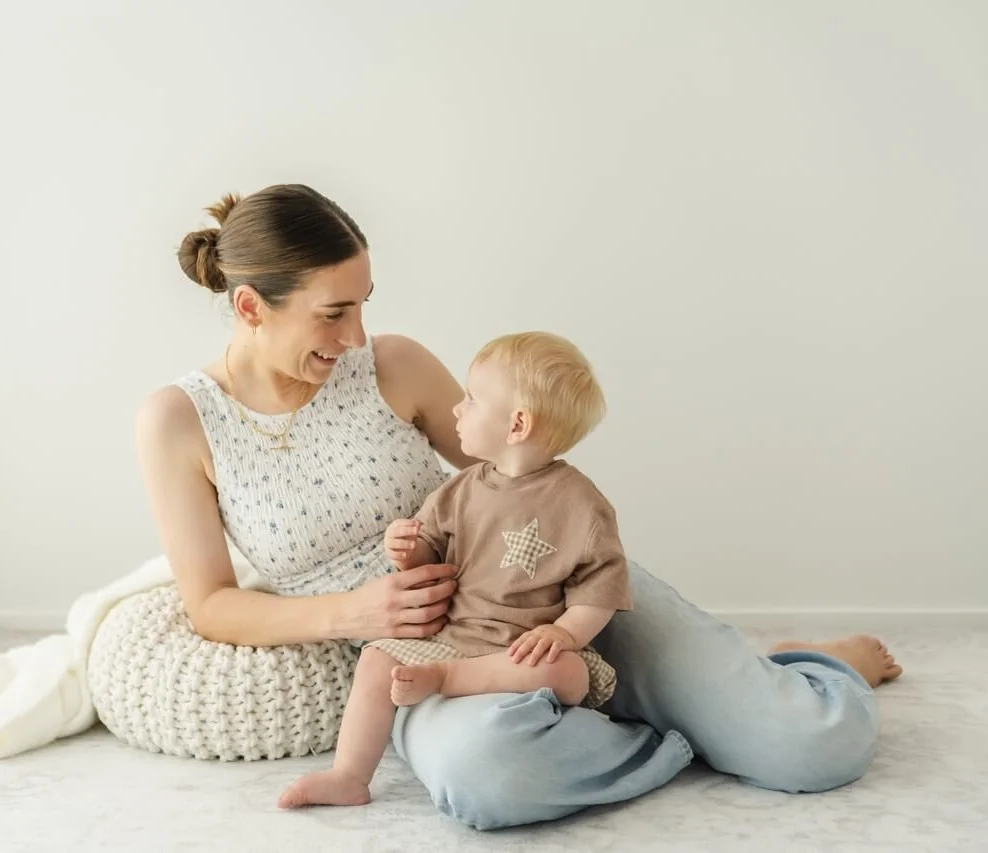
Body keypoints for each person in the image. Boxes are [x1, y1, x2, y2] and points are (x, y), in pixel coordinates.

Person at [135, 184, 903, 830]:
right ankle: (699, 715)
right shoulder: (180, 422)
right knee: (489, 779)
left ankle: (785, 679)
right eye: (333, 313)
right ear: (249, 308)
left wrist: (568, 604)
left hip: (557, 591)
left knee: (810, 747)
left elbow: (516, 460)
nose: (357, 334)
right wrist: (356, 612)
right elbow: (212, 604)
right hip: (436, 661)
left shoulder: (391, 365)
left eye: (364, 305)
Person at [278, 330, 633, 809]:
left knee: (568, 672)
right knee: (375, 660)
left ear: (517, 424)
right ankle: (349, 775)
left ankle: (446, 681)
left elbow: (600, 589)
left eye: (471, 399)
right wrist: (406, 550)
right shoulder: (462, 488)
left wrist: (566, 634)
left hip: (520, 649)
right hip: (452, 635)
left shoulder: (581, 506)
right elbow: (429, 555)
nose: (457, 409)